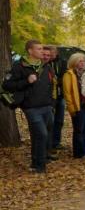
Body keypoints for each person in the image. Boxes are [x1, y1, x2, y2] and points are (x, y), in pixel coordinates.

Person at [2, 40, 55, 173]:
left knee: (40, 135)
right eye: (39, 49)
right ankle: (40, 166)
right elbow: (7, 85)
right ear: (30, 51)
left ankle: (36, 163)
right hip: (31, 108)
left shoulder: (46, 66)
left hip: (47, 106)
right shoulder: (19, 66)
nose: (42, 51)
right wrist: (26, 81)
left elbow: (50, 85)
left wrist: (51, 103)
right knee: (41, 134)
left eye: (42, 48)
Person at [63, 52, 85, 159]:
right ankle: (79, 152)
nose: (83, 63)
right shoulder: (69, 74)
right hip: (77, 105)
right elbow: (67, 93)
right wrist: (71, 108)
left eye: (83, 61)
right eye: (80, 61)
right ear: (74, 62)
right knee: (79, 129)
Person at [44, 45, 66, 152]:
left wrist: (57, 80)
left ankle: (56, 142)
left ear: (57, 53)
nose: (52, 54)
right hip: (49, 97)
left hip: (60, 95)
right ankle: (48, 144)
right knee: (50, 121)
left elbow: (64, 76)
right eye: (50, 53)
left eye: (53, 52)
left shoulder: (62, 62)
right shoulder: (45, 64)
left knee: (59, 120)